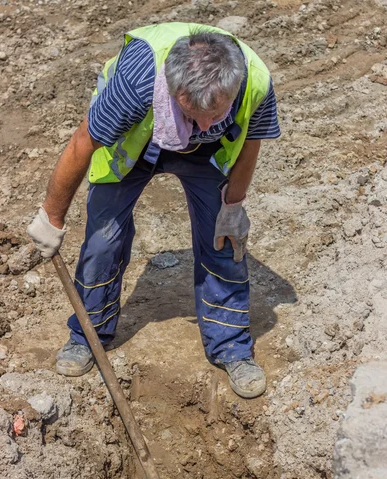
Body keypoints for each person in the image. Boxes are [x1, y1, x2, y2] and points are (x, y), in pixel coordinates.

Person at [27, 22, 280, 399]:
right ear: (176, 91)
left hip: (208, 156)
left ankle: (231, 348)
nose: (208, 123)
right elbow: (83, 143)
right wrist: (52, 216)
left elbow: (250, 144)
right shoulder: (137, 81)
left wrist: (234, 205)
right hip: (137, 141)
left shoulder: (254, 80)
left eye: (218, 111)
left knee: (223, 241)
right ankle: (87, 335)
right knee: (102, 241)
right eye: (196, 113)